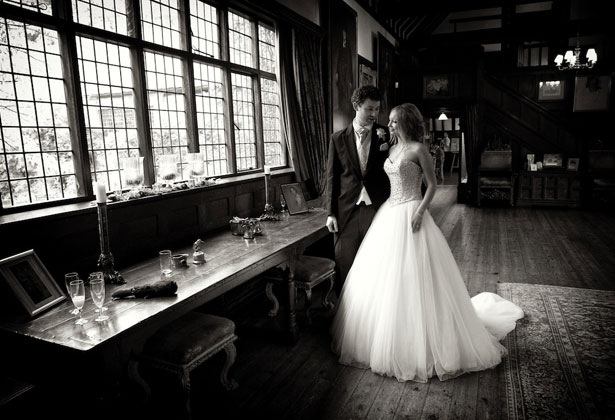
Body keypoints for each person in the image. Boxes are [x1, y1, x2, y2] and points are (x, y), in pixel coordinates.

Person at [330, 103, 523, 383]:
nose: (390, 126)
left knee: (418, 274)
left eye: (395, 122)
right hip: (389, 213)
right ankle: (386, 335)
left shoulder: (419, 149)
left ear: (407, 122)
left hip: (412, 211)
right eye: (390, 122)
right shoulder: (390, 148)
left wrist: (420, 211)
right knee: (386, 277)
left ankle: (426, 338)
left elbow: (432, 185)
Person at [324, 85, 391, 294]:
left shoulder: (386, 135)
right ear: (356, 106)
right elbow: (332, 177)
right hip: (346, 211)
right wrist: (330, 213)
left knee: (376, 261)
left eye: (377, 109)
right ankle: (346, 310)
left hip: (377, 209)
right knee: (345, 262)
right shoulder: (337, 138)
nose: (374, 114)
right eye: (369, 109)